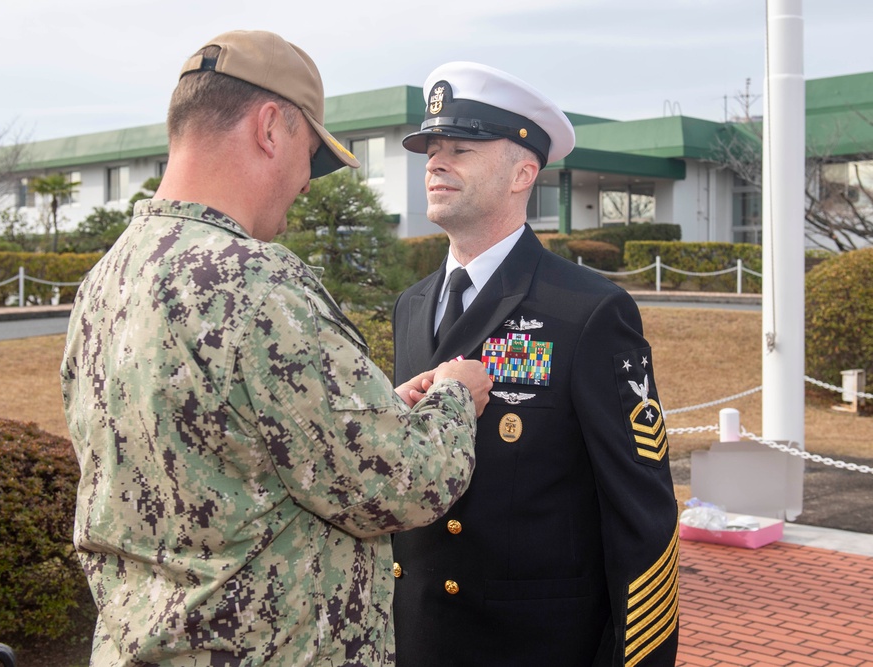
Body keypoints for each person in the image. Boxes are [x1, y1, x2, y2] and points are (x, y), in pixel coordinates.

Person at [61, 31, 493, 667]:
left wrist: (381, 409)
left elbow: (217, 446)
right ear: (270, 128)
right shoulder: (256, 281)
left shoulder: (108, 279)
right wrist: (456, 395)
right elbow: (403, 485)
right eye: (311, 157)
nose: (306, 184)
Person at [391, 61, 679, 667]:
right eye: (431, 150)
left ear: (524, 171)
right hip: (416, 641)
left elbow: (642, 518)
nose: (435, 163)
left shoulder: (589, 310)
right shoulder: (411, 307)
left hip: (532, 646)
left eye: (461, 149)